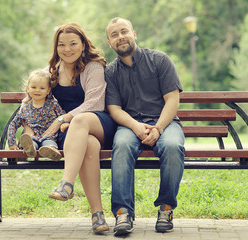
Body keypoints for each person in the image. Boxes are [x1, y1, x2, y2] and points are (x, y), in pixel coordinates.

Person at [25, 23, 116, 233]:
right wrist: (31, 126)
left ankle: (67, 183)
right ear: (56, 47)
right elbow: (35, 100)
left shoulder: (93, 67)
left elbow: (95, 102)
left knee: (81, 121)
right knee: (89, 146)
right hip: (71, 133)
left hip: (99, 122)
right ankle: (98, 215)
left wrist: (63, 119)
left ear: (83, 44)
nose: (68, 49)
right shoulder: (53, 72)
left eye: (73, 44)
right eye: (62, 45)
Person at [105, 17, 185, 236]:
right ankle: (123, 213)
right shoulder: (110, 72)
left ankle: (166, 209)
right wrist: (136, 127)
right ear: (110, 43)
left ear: (134, 34)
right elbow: (114, 109)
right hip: (130, 126)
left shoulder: (160, 60)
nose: (120, 37)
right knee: (121, 147)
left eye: (124, 31)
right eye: (114, 35)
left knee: (172, 146)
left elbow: (172, 100)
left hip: (165, 123)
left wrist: (158, 128)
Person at [7, 69, 64, 161]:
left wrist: (64, 124)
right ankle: (29, 149)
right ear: (28, 88)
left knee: (49, 144)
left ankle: (52, 152)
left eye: (42, 88)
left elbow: (62, 116)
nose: (37, 90)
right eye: (33, 87)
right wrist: (12, 143)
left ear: (48, 90)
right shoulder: (25, 109)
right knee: (30, 142)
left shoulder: (53, 105)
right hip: (32, 137)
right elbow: (13, 124)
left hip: (49, 137)